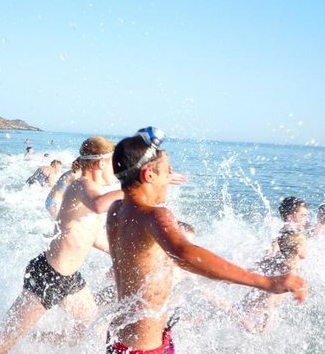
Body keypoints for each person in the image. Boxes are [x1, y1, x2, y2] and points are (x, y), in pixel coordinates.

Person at [106, 127, 307, 354]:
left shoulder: (116, 210)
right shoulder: (154, 216)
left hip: (121, 339)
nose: (170, 175)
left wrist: (155, 177)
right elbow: (185, 253)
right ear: (148, 175)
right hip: (145, 348)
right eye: (167, 170)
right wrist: (265, 282)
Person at [0, 137, 124, 354]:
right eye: (114, 164)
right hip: (48, 276)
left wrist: (122, 254)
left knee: (90, 331)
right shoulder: (82, 184)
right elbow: (99, 205)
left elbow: (93, 236)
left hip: (69, 279)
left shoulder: (92, 190)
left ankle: (31, 339)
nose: (118, 172)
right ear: (101, 163)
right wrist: (137, 187)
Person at [236, 228, 307, 333]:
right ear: (297, 249)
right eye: (305, 246)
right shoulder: (289, 271)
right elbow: (270, 297)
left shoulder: (276, 260)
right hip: (254, 316)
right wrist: (268, 320)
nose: (308, 249)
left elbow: (252, 270)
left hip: (244, 307)